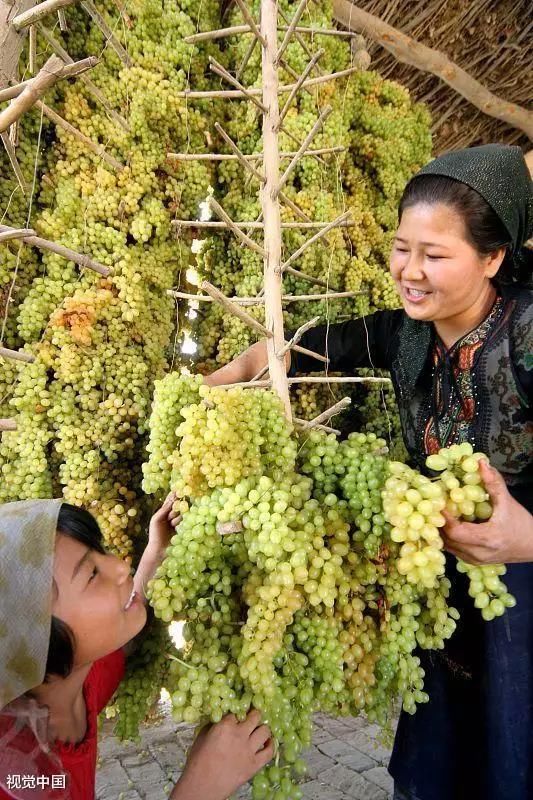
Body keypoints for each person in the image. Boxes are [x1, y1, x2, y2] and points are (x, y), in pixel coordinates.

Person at [206, 144, 533, 800]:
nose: (408, 272)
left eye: (434, 255)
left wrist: (528, 538)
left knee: (510, 744)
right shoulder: (402, 333)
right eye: (400, 247)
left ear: (492, 258)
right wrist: (219, 381)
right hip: (431, 571)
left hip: (520, 579)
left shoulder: (525, 331)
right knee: (433, 752)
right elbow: (298, 346)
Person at [0, 497, 274, 800]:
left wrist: (157, 550)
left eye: (101, 551)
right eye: (91, 574)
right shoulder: (19, 780)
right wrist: (201, 787)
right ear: (35, 637)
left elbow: (128, 626)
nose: (120, 565)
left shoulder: (76, 683)